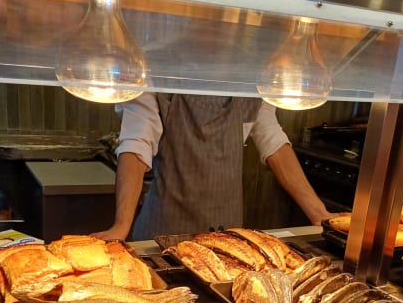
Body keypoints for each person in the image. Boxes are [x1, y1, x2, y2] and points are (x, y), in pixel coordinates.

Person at [93, 92, 331, 241]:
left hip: (227, 233)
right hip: (164, 231)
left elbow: (273, 142)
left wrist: (319, 214)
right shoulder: (160, 69)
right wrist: (121, 225)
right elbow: (136, 143)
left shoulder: (251, 75)